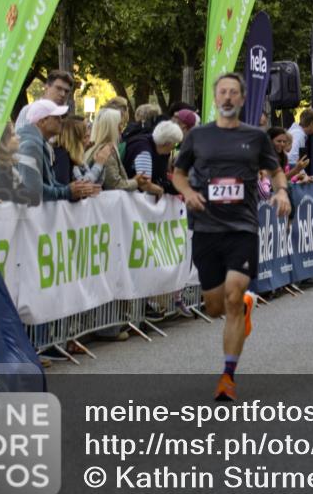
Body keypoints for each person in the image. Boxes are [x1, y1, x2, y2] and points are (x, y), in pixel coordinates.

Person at [171, 73, 290, 402]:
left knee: (234, 298)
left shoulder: (256, 137)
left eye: (233, 93)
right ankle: (242, 307)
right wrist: (187, 193)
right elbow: (178, 174)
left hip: (242, 227)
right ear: (215, 97)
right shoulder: (198, 136)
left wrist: (281, 192)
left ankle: (227, 376)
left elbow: (277, 169)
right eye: (222, 91)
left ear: (241, 99)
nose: (227, 97)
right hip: (206, 228)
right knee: (213, 307)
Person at [16, 100, 99, 204]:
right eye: (56, 117)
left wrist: (77, 190)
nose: (61, 120)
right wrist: (68, 192)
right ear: (42, 121)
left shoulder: (40, 144)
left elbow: (50, 183)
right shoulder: (30, 145)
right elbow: (34, 189)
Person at [124, 119, 183, 196]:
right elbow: (144, 184)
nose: (174, 148)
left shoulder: (152, 143)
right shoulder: (144, 151)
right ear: (167, 143)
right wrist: (160, 190)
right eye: (175, 144)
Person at [53, 116, 107, 186]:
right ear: (74, 140)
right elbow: (82, 187)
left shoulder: (77, 157)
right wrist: (99, 164)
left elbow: (96, 185)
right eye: (85, 137)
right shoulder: (63, 158)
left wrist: (101, 164)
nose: (88, 142)